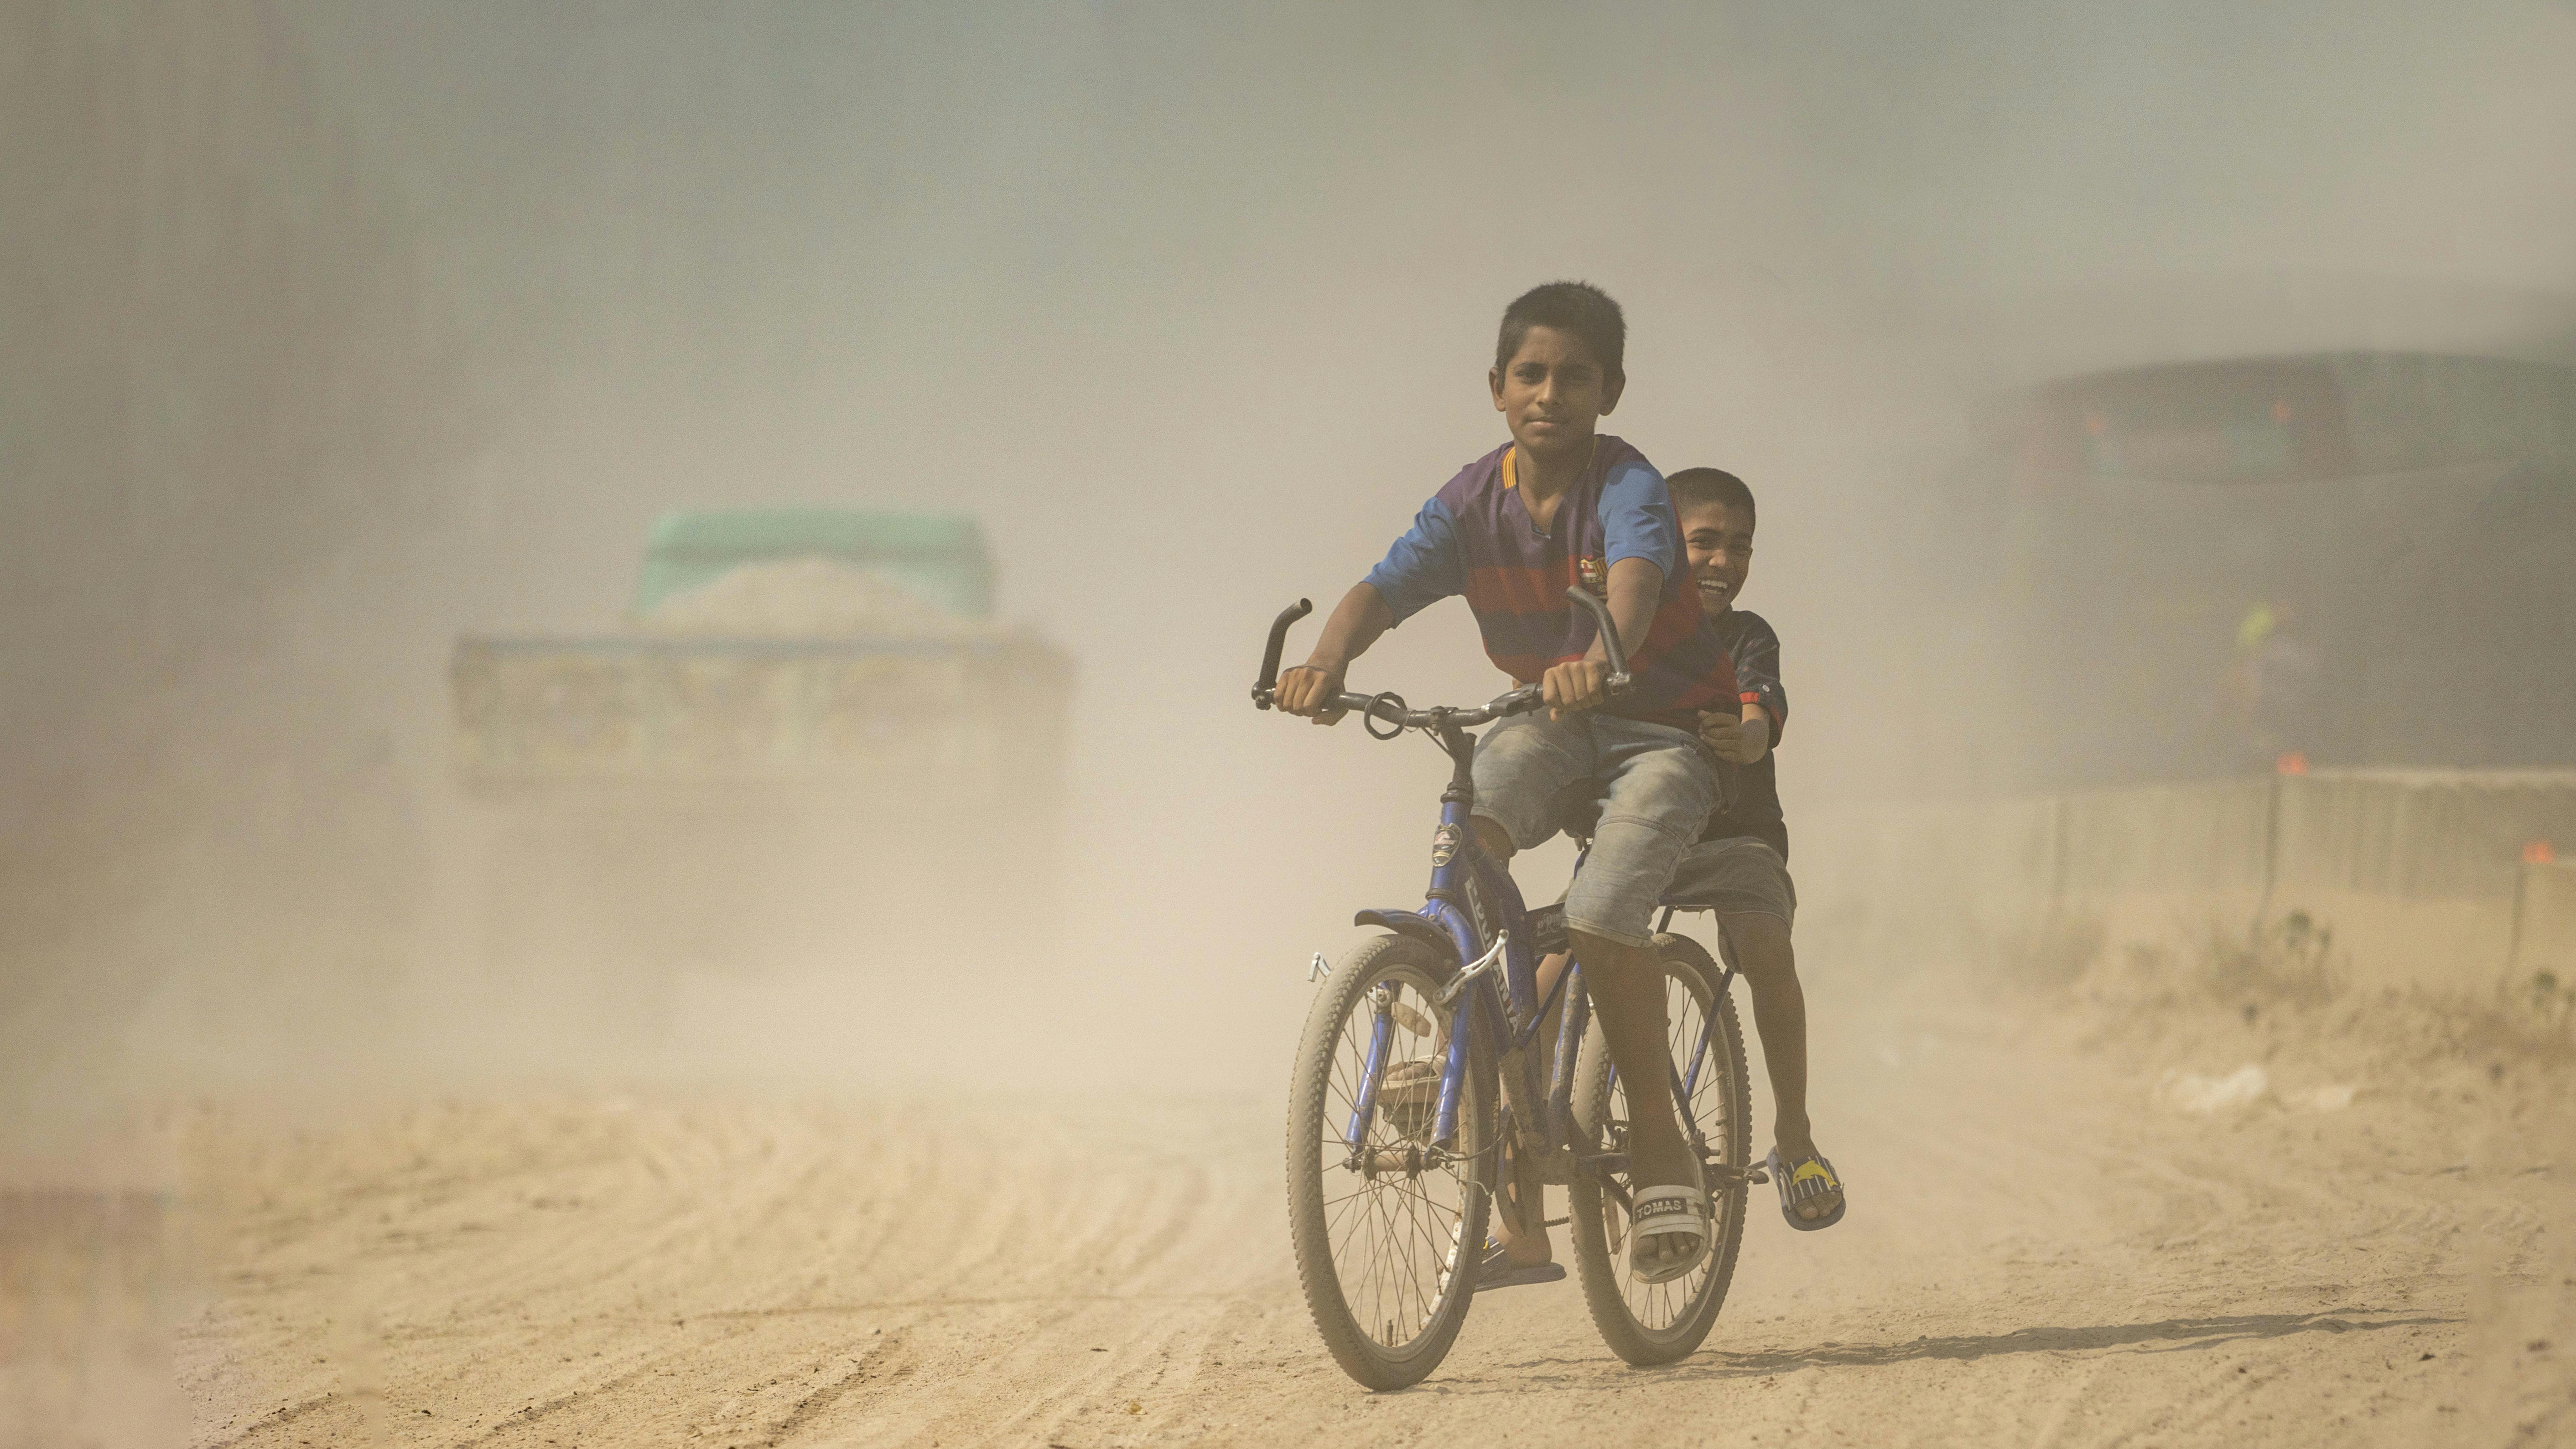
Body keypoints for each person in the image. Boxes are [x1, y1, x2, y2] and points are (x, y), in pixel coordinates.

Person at [1273, 281, 1743, 1288]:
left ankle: (1661, 1146)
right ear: (1496, 388)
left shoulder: (1629, 486)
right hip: (1550, 718)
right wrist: (1328, 661)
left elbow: (1635, 577)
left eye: (1575, 377)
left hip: (1659, 733)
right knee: (1473, 821)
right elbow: (1382, 587)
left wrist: (1599, 651)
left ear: (1611, 391)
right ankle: (1469, 1053)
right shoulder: (1470, 502)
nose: (1550, 393)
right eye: (1530, 374)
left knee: (1609, 913)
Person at [1662, 466, 1844, 1230]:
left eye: (1739, 548)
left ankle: (1794, 1135)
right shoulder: (1621, 627)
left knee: (1767, 952)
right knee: (1556, 962)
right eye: (1702, 543)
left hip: (1738, 836)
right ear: (1658, 543)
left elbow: (1759, 713)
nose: (1722, 562)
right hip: (1643, 834)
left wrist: (1744, 737)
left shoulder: (1744, 636)